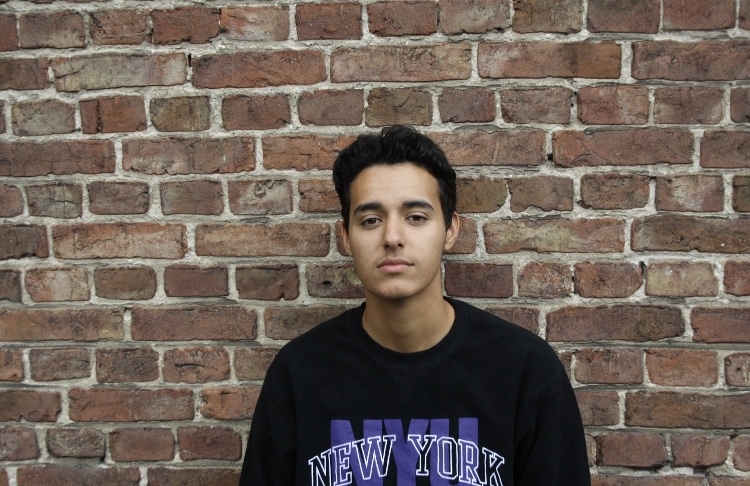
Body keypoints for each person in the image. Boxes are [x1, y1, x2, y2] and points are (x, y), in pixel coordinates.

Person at [239, 125, 590, 485]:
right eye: (371, 220)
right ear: (345, 237)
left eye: (416, 217)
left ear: (450, 230)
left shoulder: (526, 372)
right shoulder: (299, 374)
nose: (392, 237)